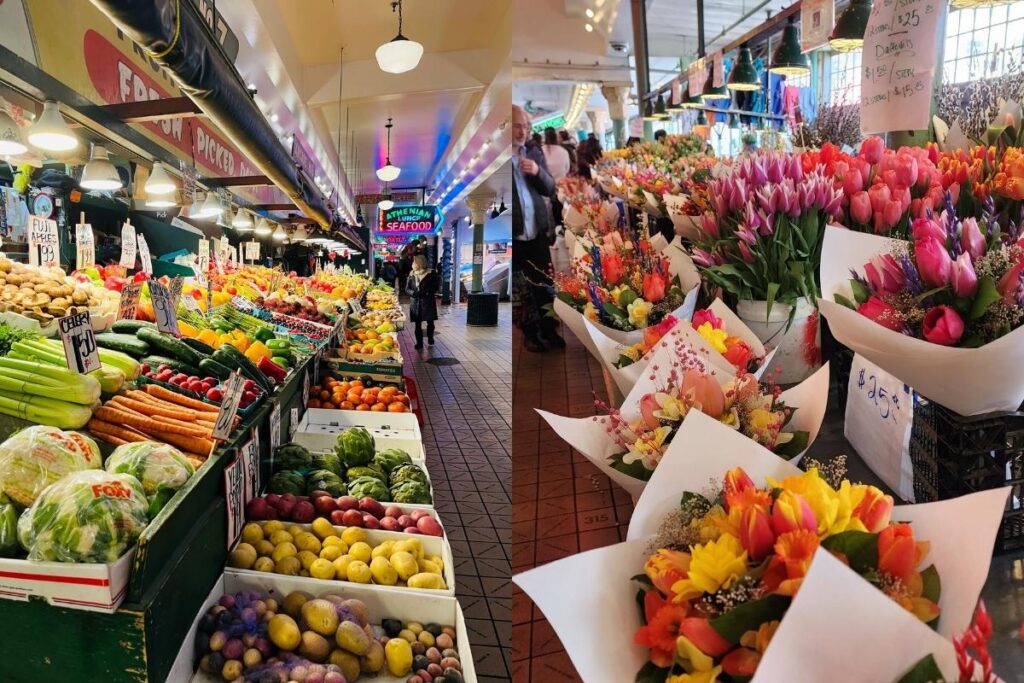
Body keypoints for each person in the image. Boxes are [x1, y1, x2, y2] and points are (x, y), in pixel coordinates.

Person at [512, 104, 564, 352]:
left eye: (526, 126)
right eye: (517, 125)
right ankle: (530, 333)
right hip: (515, 236)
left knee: (544, 284)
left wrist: (537, 171)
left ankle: (549, 328)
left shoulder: (532, 153)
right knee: (522, 291)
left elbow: (550, 188)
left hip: (538, 233)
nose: (523, 131)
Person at [406, 254, 439, 349]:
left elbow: (435, 287)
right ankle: (419, 343)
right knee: (417, 324)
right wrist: (413, 293)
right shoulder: (411, 274)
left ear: (419, 263)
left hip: (427, 301)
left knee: (430, 322)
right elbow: (407, 288)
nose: (413, 264)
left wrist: (426, 293)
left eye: (414, 262)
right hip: (415, 303)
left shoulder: (431, 273)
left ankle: (430, 337)